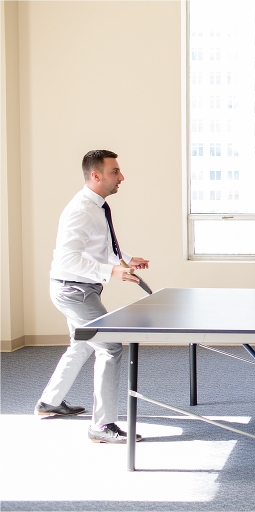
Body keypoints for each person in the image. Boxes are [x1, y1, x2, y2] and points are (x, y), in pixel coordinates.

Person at [35, 150, 149, 444]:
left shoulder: (96, 206)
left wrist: (125, 259)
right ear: (96, 175)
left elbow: (99, 243)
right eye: (115, 172)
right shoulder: (81, 210)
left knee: (83, 343)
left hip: (78, 288)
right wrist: (112, 272)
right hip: (74, 290)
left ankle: (50, 402)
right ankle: (102, 426)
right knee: (109, 346)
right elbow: (68, 261)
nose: (121, 177)